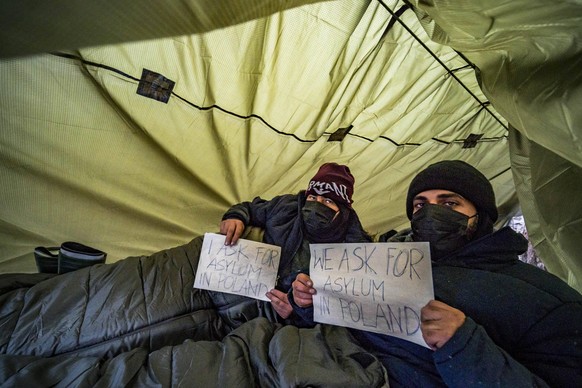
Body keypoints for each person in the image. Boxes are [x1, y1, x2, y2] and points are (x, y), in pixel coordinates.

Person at [291, 160, 582, 387]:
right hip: (326, 360)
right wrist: (309, 303)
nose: (431, 213)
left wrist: (463, 344)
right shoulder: (386, 261)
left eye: (449, 203)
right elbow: (356, 319)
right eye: (421, 205)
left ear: (480, 215)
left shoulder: (550, 304)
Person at [220, 162, 372, 325]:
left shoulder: (356, 250)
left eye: (328, 201)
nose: (316, 205)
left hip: (277, 321)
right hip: (242, 287)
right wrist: (235, 217)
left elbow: (344, 314)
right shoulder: (286, 207)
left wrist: (298, 311)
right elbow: (251, 208)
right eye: (313, 197)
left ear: (342, 210)